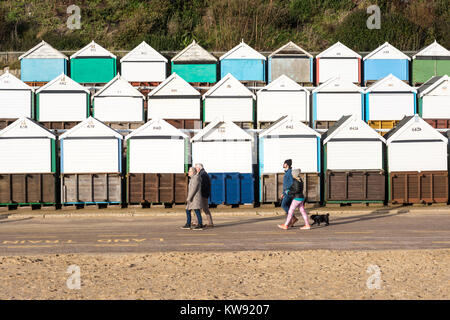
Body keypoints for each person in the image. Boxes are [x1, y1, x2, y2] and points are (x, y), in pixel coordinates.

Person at [195, 163, 214, 228]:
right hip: (204, 194)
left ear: (198, 168)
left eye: (196, 168)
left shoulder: (203, 174)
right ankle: (197, 222)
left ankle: (210, 223)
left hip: (203, 194)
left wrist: (199, 192)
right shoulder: (203, 173)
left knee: (205, 209)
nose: (195, 169)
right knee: (199, 208)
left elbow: (203, 185)